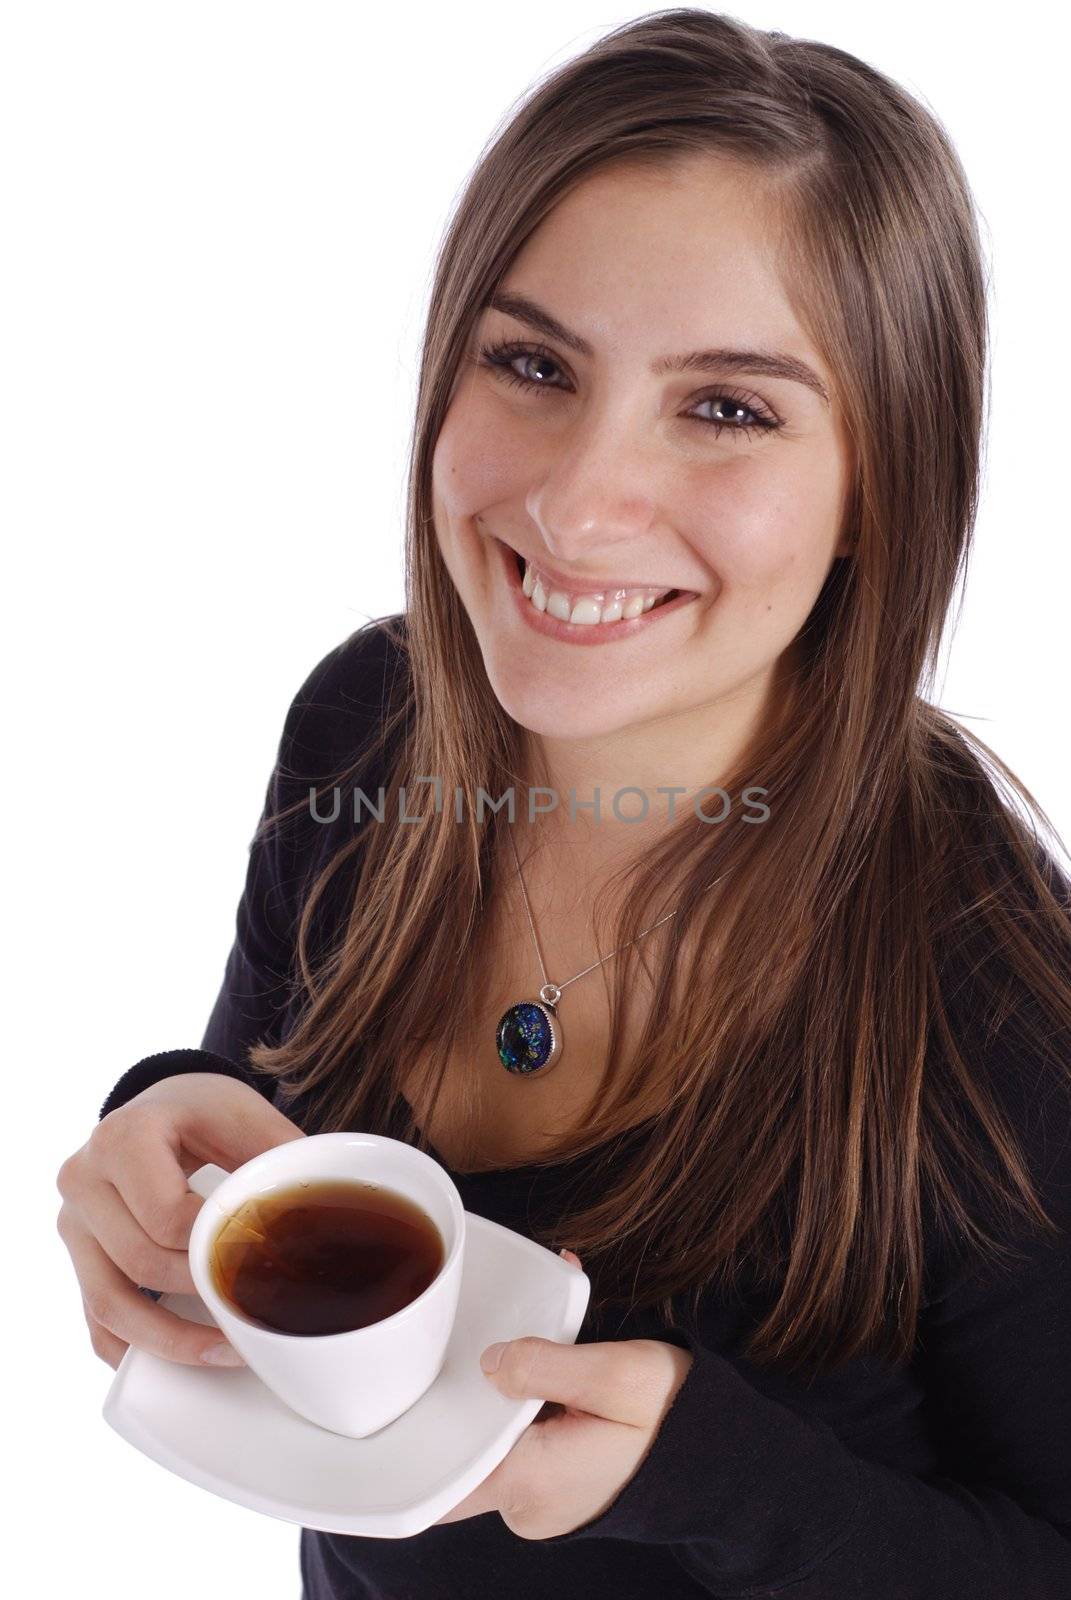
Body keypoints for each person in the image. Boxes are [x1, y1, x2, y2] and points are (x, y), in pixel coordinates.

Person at [57, 10, 1071, 1597]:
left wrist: (705, 1469)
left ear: (884, 478)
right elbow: (267, 1120)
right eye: (533, 364)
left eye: (727, 407)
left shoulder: (990, 977)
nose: (578, 504)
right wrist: (162, 1126)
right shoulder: (367, 726)